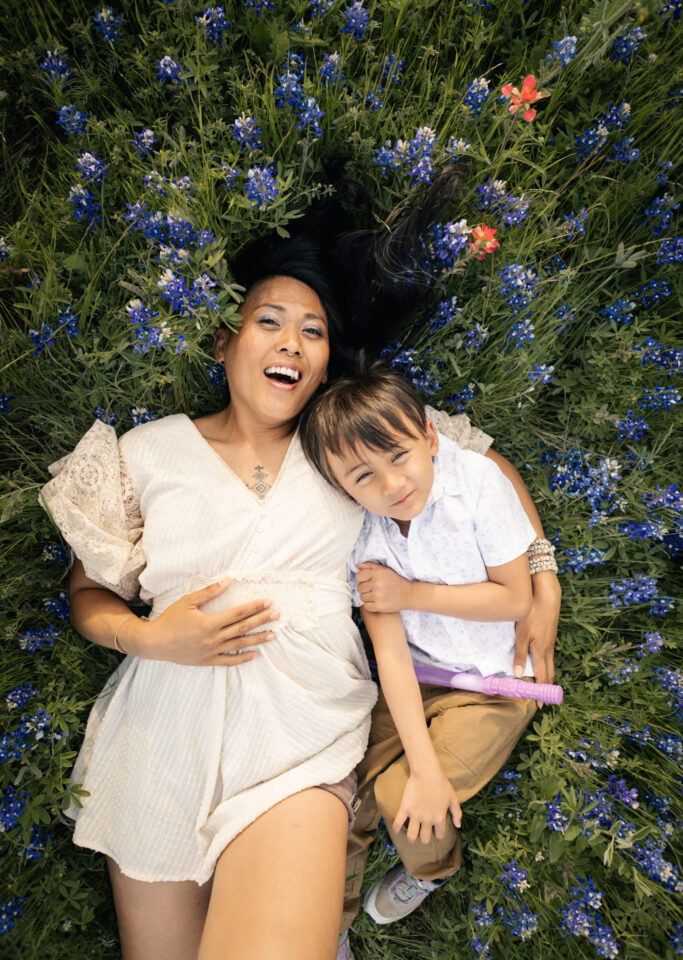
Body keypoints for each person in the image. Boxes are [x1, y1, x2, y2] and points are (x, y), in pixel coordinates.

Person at [40, 192, 559, 960]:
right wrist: (151, 637)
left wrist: (540, 579)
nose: (292, 342)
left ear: (322, 363)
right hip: (162, 733)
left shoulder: (343, 446)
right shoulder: (147, 451)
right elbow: (87, 594)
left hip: (301, 732)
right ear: (224, 342)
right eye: (270, 322)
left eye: (312, 332)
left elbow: (477, 463)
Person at [299, 364, 559, 956]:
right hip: (417, 679)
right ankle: (327, 924)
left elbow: (515, 598)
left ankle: (431, 869)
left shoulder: (475, 486)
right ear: (344, 488)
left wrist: (411, 594)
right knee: (343, 796)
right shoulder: (364, 540)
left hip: (496, 684)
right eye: (364, 475)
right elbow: (389, 656)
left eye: (399, 454)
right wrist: (422, 758)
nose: (391, 483)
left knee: (405, 799)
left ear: (430, 437)